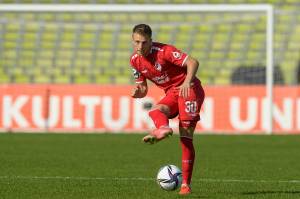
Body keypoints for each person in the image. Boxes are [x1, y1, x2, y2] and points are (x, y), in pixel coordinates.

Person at [129, 24, 205, 195]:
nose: (140, 46)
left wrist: (187, 82)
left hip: (189, 89)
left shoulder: (164, 51)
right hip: (172, 92)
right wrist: (138, 93)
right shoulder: (135, 60)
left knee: (185, 137)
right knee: (155, 110)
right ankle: (163, 128)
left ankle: (185, 185)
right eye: (136, 42)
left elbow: (193, 62)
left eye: (143, 42)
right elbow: (143, 89)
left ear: (151, 40)